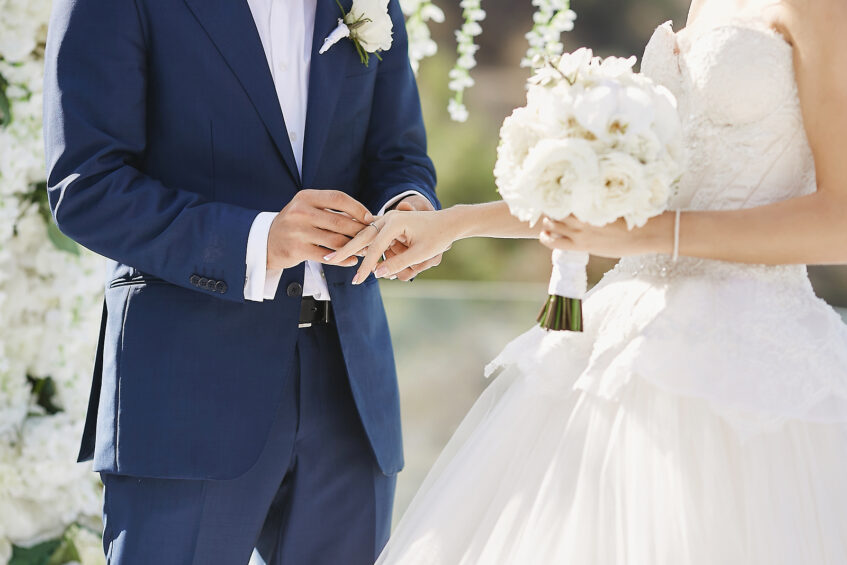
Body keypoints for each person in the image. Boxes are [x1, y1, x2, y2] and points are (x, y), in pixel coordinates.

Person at [329, 0, 847, 562]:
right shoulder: (703, 7)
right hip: (622, 345)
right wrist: (454, 224)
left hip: (753, 369)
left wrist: (652, 235)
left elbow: (839, 223)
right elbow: (611, 202)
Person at [42, 0, 439, 563]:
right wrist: (258, 241)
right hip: (187, 390)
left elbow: (398, 154)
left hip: (352, 390)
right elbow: (87, 187)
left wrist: (408, 205)